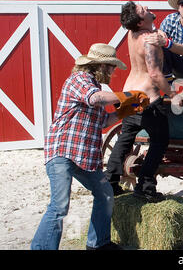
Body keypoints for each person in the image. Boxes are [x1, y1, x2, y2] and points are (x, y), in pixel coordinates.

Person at [31, 43, 149, 250]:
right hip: (63, 151)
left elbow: (103, 121)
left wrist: (127, 111)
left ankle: (98, 244)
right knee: (59, 207)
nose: (113, 72)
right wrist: (130, 95)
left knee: (105, 194)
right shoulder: (79, 80)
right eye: (111, 67)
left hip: (84, 156)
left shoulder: (94, 85)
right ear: (101, 66)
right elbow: (95, 99)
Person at [105, 1, 183, 202]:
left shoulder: (131, 34)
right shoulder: (149, 41)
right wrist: (174, 95)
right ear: (140, 22)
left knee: (125, 139)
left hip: (129, 93)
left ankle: (110, 184)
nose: (147, 7)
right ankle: (146, 187)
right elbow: (156, 74)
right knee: (159, 141)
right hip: (146, 99)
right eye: (143, 10)